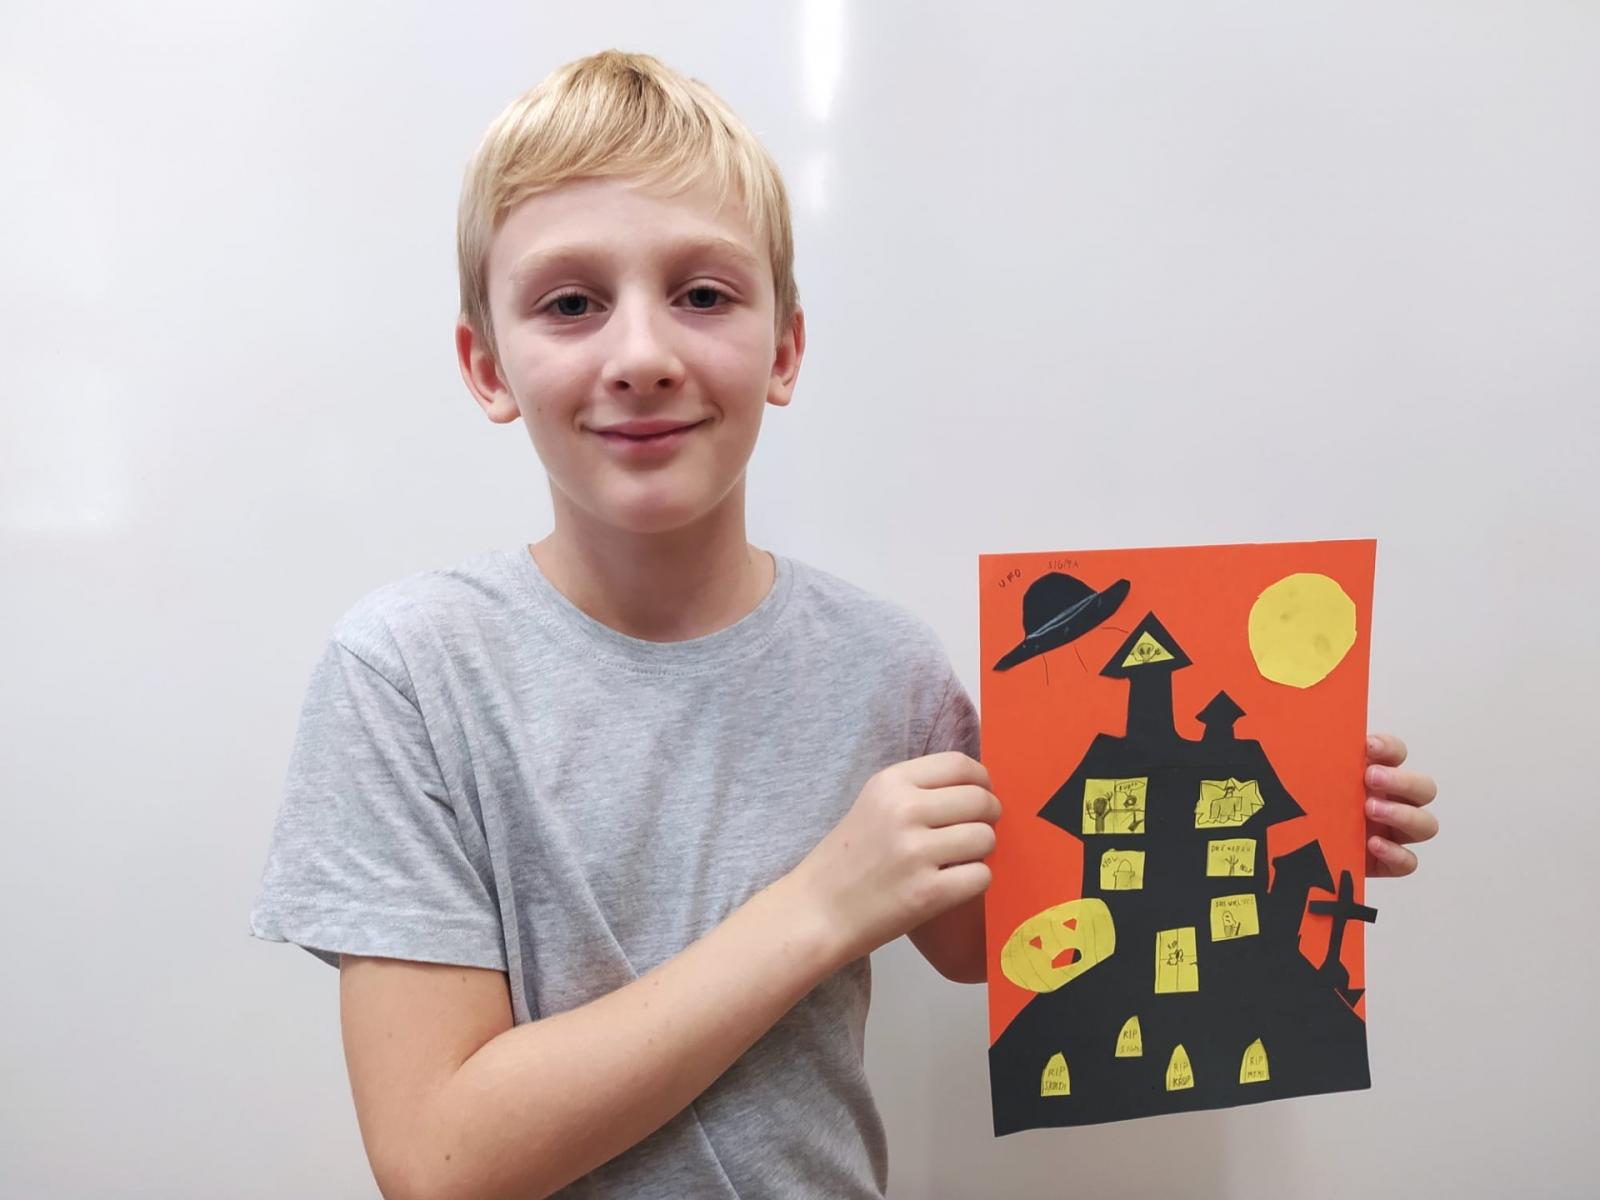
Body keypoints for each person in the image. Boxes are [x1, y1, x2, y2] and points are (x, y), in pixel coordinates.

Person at [249, 50, 1441, 1200]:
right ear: (486, 366)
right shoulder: (406, 673)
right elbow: (440, 1163)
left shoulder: (885, 666)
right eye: (570, 304)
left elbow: (992, 942)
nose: (643, 354)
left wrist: (1273, 809)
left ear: (785, 348)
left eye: (702, 294)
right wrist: (820, 905)